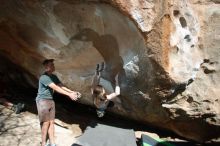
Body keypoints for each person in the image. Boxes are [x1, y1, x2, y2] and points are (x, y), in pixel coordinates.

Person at [36, 59, 81, 146]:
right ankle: (43, 143)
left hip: (50, 100)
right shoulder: (44, 77)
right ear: (46, 67)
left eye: (53, 64)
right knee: (46, 123)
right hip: (42, 101)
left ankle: (52, 143)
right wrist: (69, 95)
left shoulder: (54, 76)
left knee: (51, 122)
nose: (53, 66)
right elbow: (55, 88)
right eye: (51, 65)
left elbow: (61, 85)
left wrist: (71, 92)